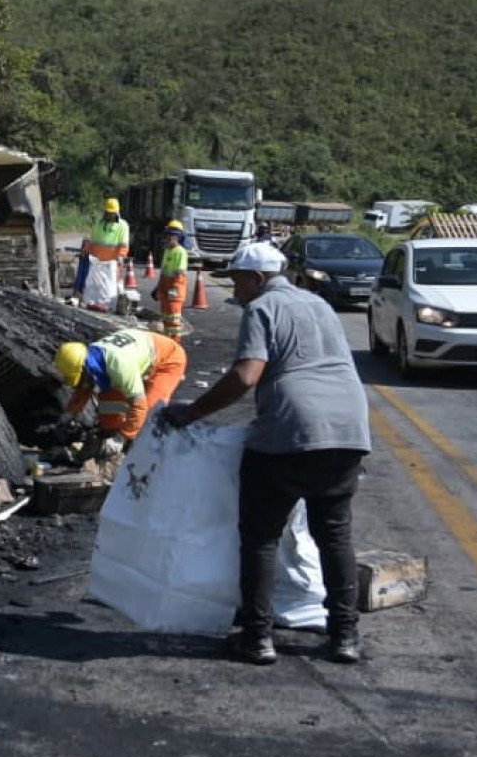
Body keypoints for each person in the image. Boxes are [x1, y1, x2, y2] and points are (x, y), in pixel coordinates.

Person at [158, 242, 370, 666]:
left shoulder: (262, 308)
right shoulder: (320, 305)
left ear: (258, 278)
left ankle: (257, 638)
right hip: (348, 430)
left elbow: (246, 375)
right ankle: (344, 637)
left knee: (261, 537)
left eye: (237, 280)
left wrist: (192, 412)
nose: (235, 291)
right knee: (334, 534)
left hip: (291, 432)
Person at [52, 327, 188, 453]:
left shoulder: (119, 366)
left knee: (150, 413)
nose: (82, 382)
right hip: (139, 352)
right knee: (109, 407)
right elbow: (85, 387)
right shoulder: (92, 358)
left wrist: (120, 440)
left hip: (169, 359)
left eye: (81, 377)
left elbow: (139, 406)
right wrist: (67, 416)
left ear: (85, 368)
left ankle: (142, 452)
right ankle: (109, 436)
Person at [79, 197, 132, 311]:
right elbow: (94, 241)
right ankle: (92, 303)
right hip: (97, 261)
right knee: (94, 284)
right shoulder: (99, 224)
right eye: (108, 213)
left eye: (112, 213)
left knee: (110, 286)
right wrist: (86, 250)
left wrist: (121, 256)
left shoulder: (122, 226)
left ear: (117, 213)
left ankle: (111, 306)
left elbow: (124, 245)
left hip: (112, 263)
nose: (109, 215)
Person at [157, 220, 189, 339]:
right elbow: (164, 271)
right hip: (166, 288)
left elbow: (179, 273)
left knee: (174, 317)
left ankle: (175, 341)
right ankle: (168, 339)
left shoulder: (180, 252)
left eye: (170, 236)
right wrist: (159, 287)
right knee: (166, 316)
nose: (168, 238)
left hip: (175, 290)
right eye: (167, 235)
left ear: (177, 237)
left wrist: (174, 289)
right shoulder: (167, 250)